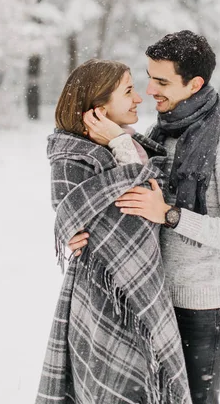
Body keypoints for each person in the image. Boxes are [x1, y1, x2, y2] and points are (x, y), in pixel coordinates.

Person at [70, 31, 220, 404]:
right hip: (149, 299)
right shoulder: (159, 134)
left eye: (161, 81)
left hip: (200, 308)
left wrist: (171, 215)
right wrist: (80, 232)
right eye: (148, 76)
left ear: (195, 83)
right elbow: (128, 204)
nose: (149, 90)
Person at [36, 58, 192, 404]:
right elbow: (131, 215)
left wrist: (121, 141)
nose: (139, 99)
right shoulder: (75, 157)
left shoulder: (132, 145)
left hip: (136, 295)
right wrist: (120, 143)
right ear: (98, 108)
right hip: (105, 300)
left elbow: (149, 189)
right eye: (128, 92)